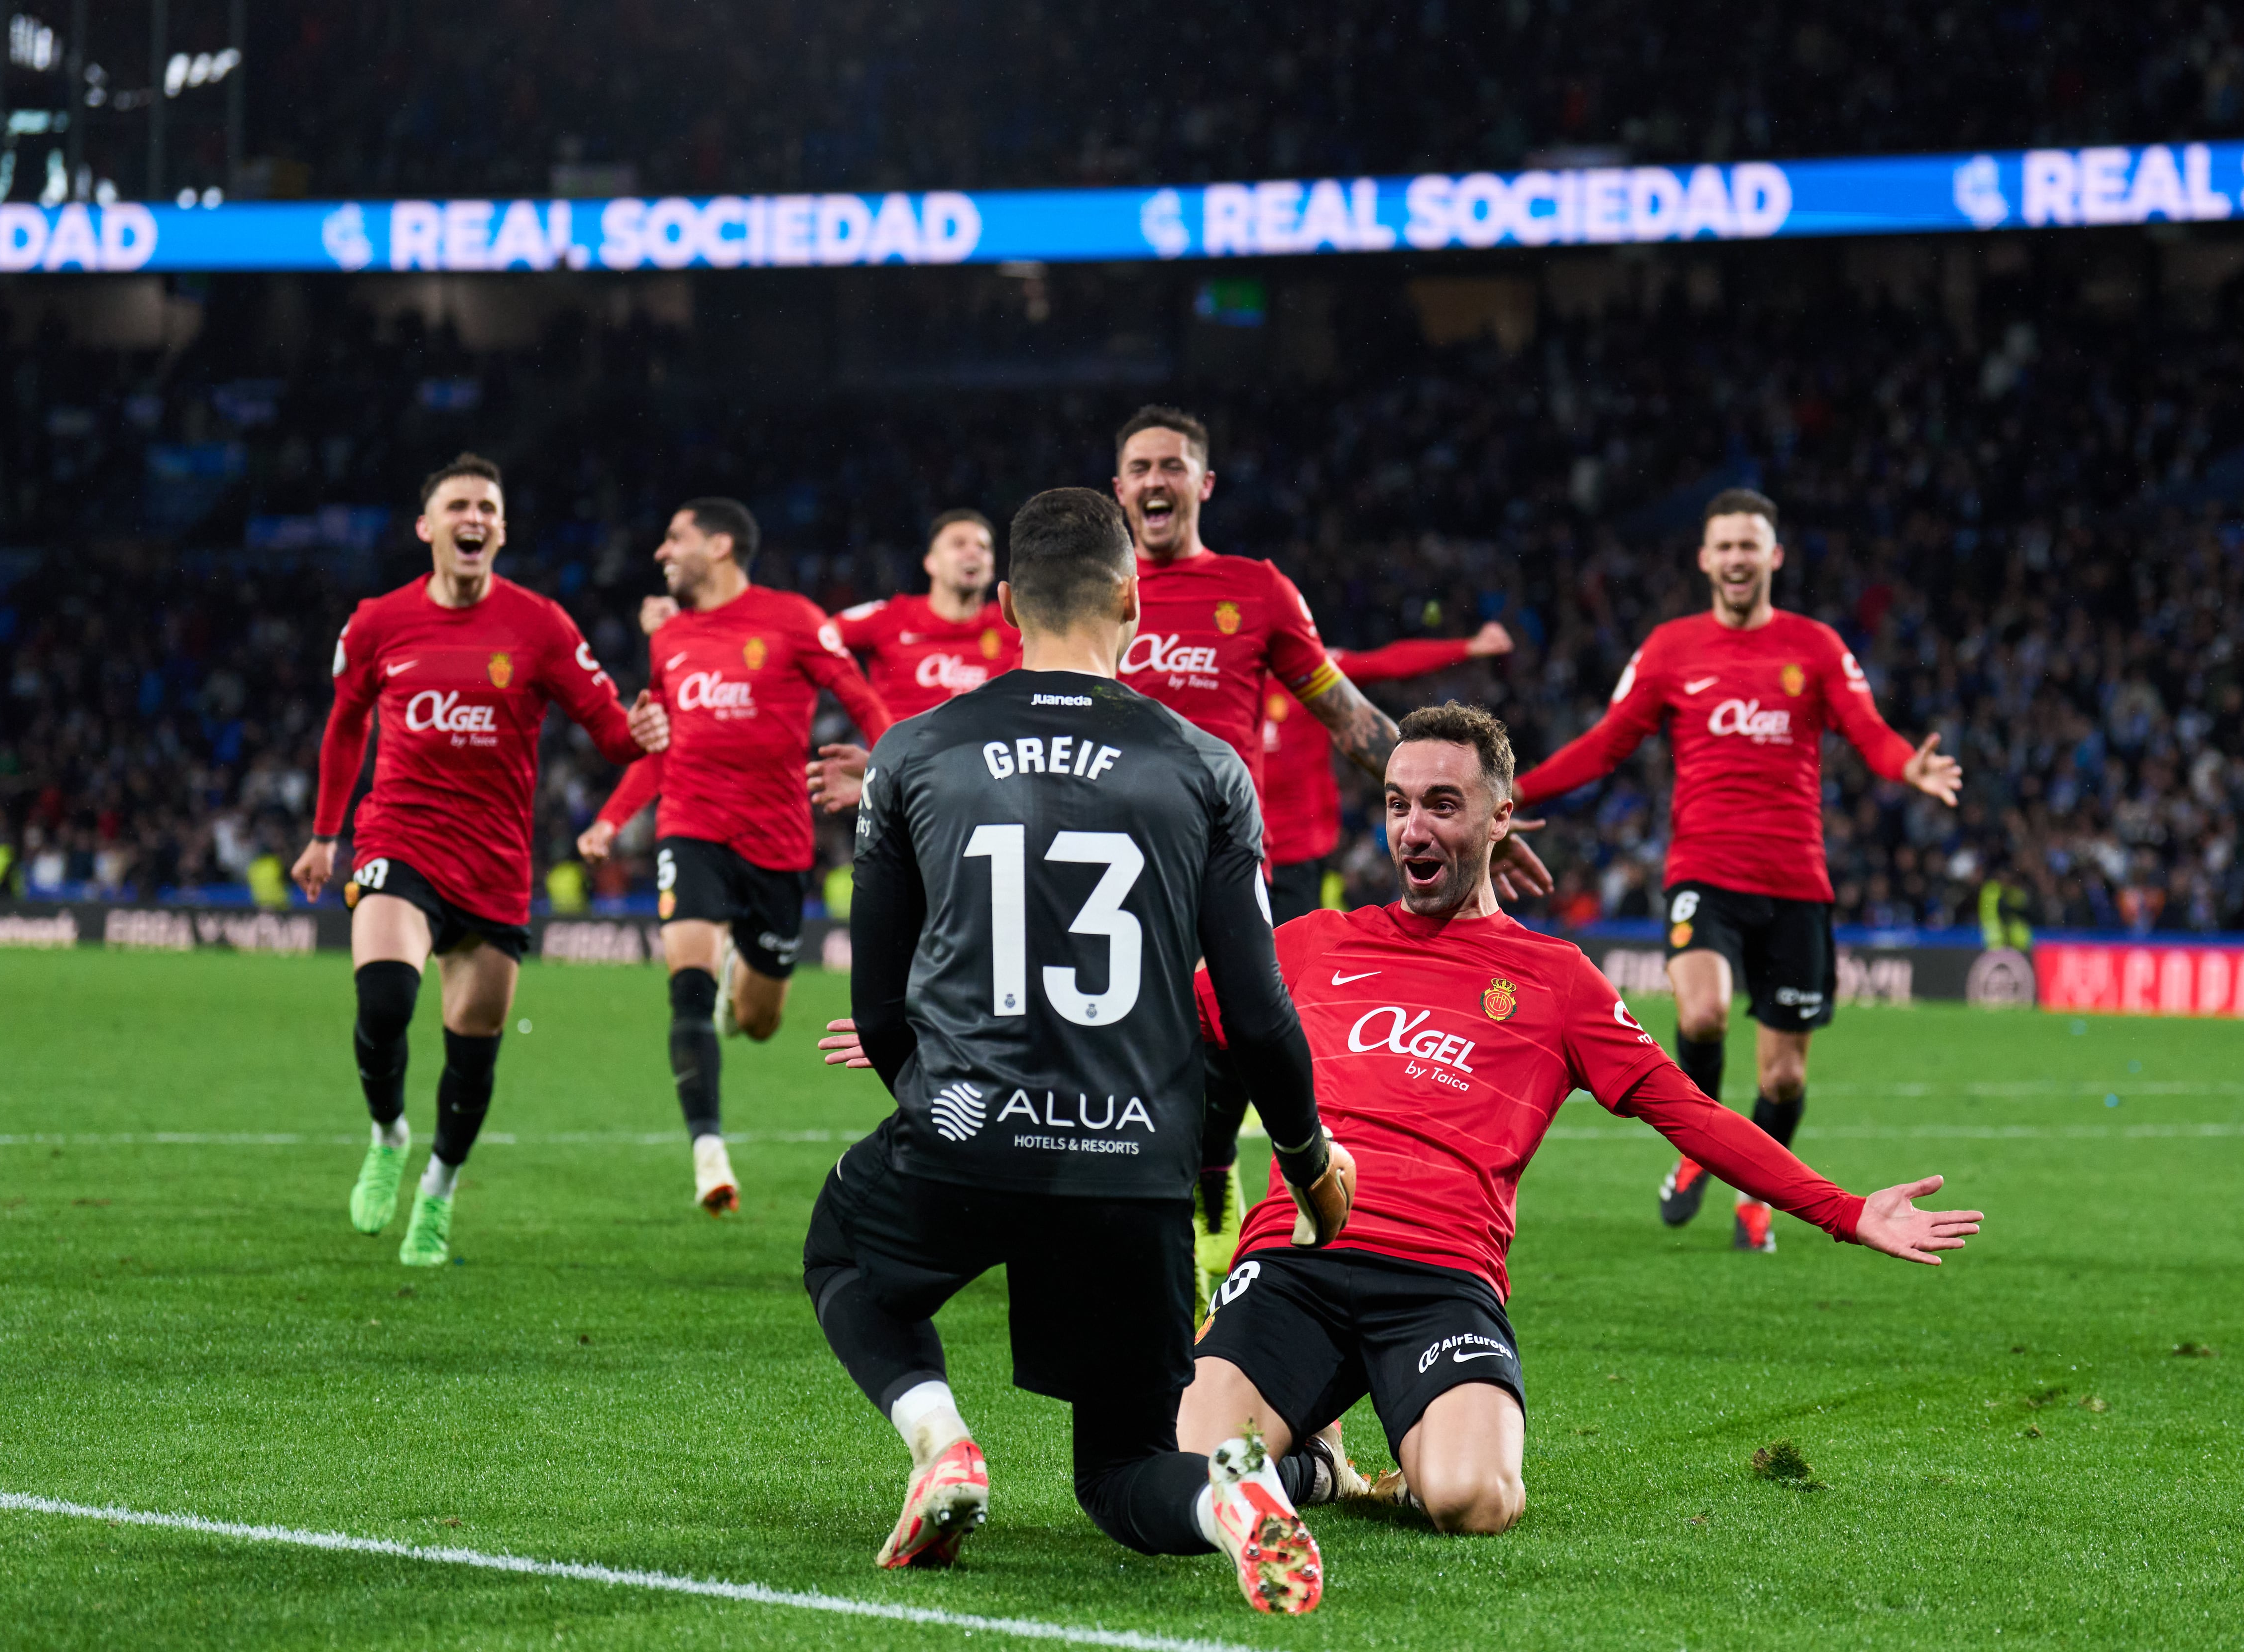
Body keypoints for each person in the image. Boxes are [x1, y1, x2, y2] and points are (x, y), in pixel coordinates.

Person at [1184, 703, 1982, 1532]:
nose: (1413, 828)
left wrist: (1846, 1211)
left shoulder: (1556, 981)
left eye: (1443, 805)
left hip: (1440, 1280)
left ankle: (1376, 1465)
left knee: (1474, 1499)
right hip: (1295, 1258)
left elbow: (1692, 1114)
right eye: (1397, 803)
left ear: (1502, 817)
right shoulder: (1313, 943)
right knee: (1193, 1472)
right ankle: (1315, 1462)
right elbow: (1174, 1019)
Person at [802, 487, 1357, 1612]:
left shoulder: (915, 751)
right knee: (1120, 1470)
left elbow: (874, 1003)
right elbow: (1255, 1014)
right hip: (1131, 1160)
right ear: (1132, 599)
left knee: (846, 1260)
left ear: (1005, 604)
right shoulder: (1204, 767)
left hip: (962, 1139)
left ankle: (943, 1446)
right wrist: (1307, 1159)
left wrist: (937, 1095)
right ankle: (1235, 1499)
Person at [1104, 404, 1555, 1290]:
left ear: (1204, 483)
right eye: (1139, 467)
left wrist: (1461, 816)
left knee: (1227, 1048)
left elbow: (1353, 721)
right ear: (1118, 487)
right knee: (1118, 1059)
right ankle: (1143, 1220)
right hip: (1104, 868)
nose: (1156, 481)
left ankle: (1207, 1194)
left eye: (1172, 465)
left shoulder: (1259, 590)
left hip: (1222, 867)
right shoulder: (1089, 592)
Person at [1511, 489, 1963, 1252]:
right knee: (1702, 1015)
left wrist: (1905, 769)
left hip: (1795, 885)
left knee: (1783, 1080)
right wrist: (1515, 790)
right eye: (1724, 546)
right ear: (1704, 558)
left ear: (1775, 556)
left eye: (1750, 545)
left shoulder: (1816, 647)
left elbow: (1870, 731)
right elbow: (1607, 743)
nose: (1737, 559)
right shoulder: (1670, 649)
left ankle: (1757, 1199)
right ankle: (1698, 1148)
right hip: (1704, 871)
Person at [292, 453, 665, 1267]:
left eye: (488, 508)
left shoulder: (541, 625)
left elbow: (608, 733)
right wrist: (326, 833)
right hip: (400, 836)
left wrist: (641, 731)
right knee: (386, 996)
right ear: (427, 527)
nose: (475, 518)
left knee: (471, 1047)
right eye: (459, 504)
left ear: (501, 529)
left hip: (496, 865)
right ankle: (388, 1131)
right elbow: (346, 724)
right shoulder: (377, 623)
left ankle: (437, 1190)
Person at [575, 499, 892, 1215]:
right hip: (690, 829)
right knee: (683, 982)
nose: (661, 552)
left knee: (758, 1020)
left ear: (719, 546)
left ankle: (734, 987)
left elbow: (863, 699)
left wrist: (896, 767)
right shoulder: (671, 639)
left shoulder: (793, 620)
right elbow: (662, 747)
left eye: (674, 538)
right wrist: (611, 818)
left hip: (778, 847)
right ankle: (708, 1150)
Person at [1259, 623, 1513, 925]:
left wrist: (1468, 647)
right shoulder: (1224, 683)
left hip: (1299, 852)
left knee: (1290, 955)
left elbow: (1387, 662)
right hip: (1240, 847)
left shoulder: (1314, 671)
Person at [824, 509, 1021, 720]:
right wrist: (859, 700)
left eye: (983, 547)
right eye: (959, 544)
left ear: (992, 568)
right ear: (930, 563)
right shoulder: (891, 617)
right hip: (901, 752)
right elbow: (816, 638)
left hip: (983, 752)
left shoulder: (1016, 626)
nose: (973, 552)